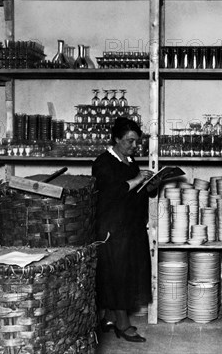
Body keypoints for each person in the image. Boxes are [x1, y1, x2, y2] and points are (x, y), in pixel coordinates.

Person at [92, 117, 154, 343]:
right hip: (112, 227)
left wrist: (149, 184)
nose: (134, 146)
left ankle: (109, 318)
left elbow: (133, 191)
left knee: (125, 272)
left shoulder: (129, 160)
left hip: (130, 226)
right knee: (117, 274)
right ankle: (123, 325)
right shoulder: (103, 163)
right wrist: (138, 179)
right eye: (130, 141)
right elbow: (112, 192)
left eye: (136, 142)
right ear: (116, 139)